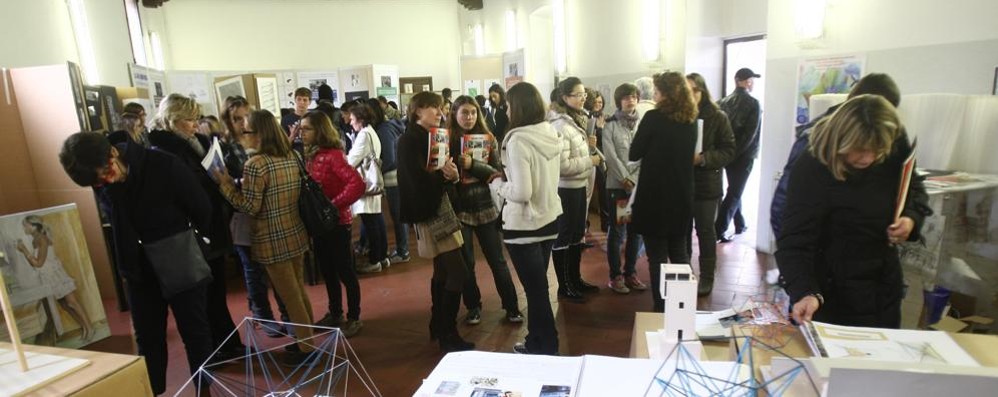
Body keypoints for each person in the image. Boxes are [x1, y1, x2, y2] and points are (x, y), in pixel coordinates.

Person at [59, 132, 214, 394]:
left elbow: (201, 208)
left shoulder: (164, 164)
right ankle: (150, 391)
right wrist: (112, 189)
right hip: (139, 269)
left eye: (106, 173)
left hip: (179, 258)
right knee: (148, 338)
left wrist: (185, 238)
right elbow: (117, 217)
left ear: (113, 152)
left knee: (195, 331)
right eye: (97, 182)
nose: (105, 181)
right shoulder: (103, 181)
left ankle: (205, 391)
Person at [776, 95, 931, 328]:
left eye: (877, 151)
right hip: (829, 292)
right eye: (859, 150)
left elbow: (914, 188)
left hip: (881, 286)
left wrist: (910, 219)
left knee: (878, 358)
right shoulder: (811, 167)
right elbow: (794, 240)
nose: (867, 158)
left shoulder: (893, 145)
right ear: (840, 141)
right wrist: (806, 292)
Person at [212, 109, 315, 366]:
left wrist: (225, 184)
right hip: (294, 231)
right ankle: (306, 341)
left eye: (246, 131)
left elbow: (250, 206)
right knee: (298, 292)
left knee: (291, 296)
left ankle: (306, 349)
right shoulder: (291, 155)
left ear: (258, 134)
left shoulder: (256, 164)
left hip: (271, 238)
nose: (243, 135)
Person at [147, 94, 245, 361]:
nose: (194, 124)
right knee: (200, 295)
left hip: (213, 223)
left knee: (217, 288)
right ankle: (212, 347)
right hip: (190, 231)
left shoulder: (200, 141)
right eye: (189, 119)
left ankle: (227, 341)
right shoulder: (161, 148)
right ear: (172, 119)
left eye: (196, 118)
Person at [771, 73, 903, 238]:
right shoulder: (814, 141)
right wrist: (789, 252)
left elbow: (909, 183)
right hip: (821, 252)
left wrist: (910, 216)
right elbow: (784, 207)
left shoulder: (890, 135)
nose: (869, 158)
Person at [397, 91, 475, 352]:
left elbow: (442, 173)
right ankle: (448, 332)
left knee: (443, 270)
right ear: (418, 110)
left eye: (441, 108)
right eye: (434, 109)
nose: (440, 114)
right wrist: (445, 176)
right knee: (458, 272)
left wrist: (451, 175)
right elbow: (415, 181)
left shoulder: (434, 136)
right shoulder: (409, 140)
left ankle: (438, 323)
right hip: (430, 212)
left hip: (442, 206)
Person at [496, 82, 563, 355]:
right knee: (538, 288)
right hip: (549, 220)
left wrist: (497, 185)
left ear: (518, 107)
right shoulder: (549, 131)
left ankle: (547, 347)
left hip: (524, 225)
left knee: (536, 292)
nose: (507, 110)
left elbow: (522, 191)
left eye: (509, 105)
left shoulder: (518, 140)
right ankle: (537, 341)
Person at [447, 95, 523, 325]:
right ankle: (473, 307)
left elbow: (498, 172)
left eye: (472, 112)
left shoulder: (488, 137)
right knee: (466, 263)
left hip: (486, 206)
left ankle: (512, 307)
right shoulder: (447, 139)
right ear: (455, 115)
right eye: (464, 113)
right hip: (460, 209)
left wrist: (474, 166)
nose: (469, 117)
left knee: (497, 260)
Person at [220, 95, 289, 336]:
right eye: (236, 119)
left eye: (245, 117)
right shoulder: (226, 147)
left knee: (278, 272)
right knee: (253, 271)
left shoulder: (262, 144)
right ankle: (263, 314)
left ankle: (286, 316)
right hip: (244, 216)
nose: (242, 123)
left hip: (266, 215)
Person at [629, 71, 698, 312]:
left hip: (654, 197)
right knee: (679, 254)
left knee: (656, 257)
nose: (655, 96)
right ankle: (681, 308)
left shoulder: (653, 118)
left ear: (666, 94)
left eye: (657, 91)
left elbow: (634, 152)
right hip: (681, 195)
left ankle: (661, 308)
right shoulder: (690, 119)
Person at [300, 110, 366, 336]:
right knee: (327, 271)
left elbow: (356, 184)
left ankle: (354, 317)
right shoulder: (311, 154)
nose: (302, 133)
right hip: (321, 225)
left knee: (345, 271)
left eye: (306, 129)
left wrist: (332, 206)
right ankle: (335, 312)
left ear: (319, 130)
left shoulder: (333, 154)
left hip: (337, 224)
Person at [549, 77, 603, 302]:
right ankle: (564, 285)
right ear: (565, 97)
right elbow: (561, 166)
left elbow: (576, 154)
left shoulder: (578, 120)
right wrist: (590, 161)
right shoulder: (560, 124)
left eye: (584, 95)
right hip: (566, 189)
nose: (583, 99)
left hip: (579, 186)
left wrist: (590, 148)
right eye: (578, 95)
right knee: (564, 236)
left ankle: (575, 278)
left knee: (576, 235)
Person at [685, 73, 736, 296]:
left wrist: (703, 158)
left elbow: (729, 150)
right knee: (681, 231)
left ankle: (707, 277)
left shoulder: (718, 116)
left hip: (707, 184)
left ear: (702, 91)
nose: (690, 95)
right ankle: (683, 274)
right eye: (685, 91)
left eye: (694, 90)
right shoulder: (679, 115)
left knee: (705, 231)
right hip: (681, 183)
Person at [17, 215, 95, 341]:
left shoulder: (42, 238)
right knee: (65, 305)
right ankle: (84, 327)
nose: (24, 228)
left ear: (33, 226)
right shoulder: (34, 240)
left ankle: (90, 327)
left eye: (25, 225)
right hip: (49, 277)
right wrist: (25, 252)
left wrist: (24, 250)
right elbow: (35, 264)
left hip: (57, 275)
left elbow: (39, 263)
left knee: (72, 303)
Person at [602, 83, 646, 294]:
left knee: (636, 231)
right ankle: (615, 275)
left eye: (634, 97)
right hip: (619, 186)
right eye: (626, 97)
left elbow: (645, 153)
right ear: (619, 100)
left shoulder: (643, 123)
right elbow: (611, 155)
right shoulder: (610, 124)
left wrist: (636, 179)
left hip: (638, 187)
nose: (631, 100)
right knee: (618, 231)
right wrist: (626, 178)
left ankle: (631, 272)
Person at [715, 68, 762, 242]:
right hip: (744, 156)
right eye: (749, 80)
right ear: (741, 81)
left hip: (725, 154)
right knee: (735, 191)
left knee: (735, 188)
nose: (752, 83)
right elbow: (750, 135)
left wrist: (726, 154)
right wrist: (735, 154)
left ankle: (740, 223)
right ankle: (719, 229)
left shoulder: (721, 102)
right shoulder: (754, 103)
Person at [345, 104, 391, 273]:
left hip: (366, 183)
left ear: (360, 119)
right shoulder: (372, 132)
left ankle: (375, 260)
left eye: (352, 119)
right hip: (373, 182)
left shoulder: (364, 135)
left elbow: (352, 160)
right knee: (377, 221)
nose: (350, 123)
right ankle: (382, 257)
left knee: (371, 223)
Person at [366, 98, 410, 264]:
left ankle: (403, 251)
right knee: (399, 217)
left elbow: (390, 159)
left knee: (398, 218)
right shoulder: (389, 126)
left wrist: (376, 171)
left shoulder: (384, 130)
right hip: (397, 177)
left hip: (393, 179)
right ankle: (402, 249)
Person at [583, 88, 610, 234]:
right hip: (593, 156)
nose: (598, 104)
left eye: (600, 102)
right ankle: (585, 224)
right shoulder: (588, 118)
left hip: (604, 156)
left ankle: (606, 222)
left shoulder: (605, 117)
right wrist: (599, 128)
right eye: (595, 102)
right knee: (589, 193)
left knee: (605, 190)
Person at [283, 87, 313, 152]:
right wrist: (292, 136)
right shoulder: (286, 119)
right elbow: (282, 144)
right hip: (293, 154)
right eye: (299, 99)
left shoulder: (314, 118)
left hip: (311, 153)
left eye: (305, 100)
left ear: (309, 102)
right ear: (295, 100)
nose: (301, 102)